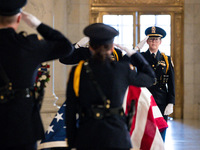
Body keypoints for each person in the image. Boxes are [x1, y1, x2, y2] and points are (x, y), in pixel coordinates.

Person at [65, 23, 155, 150]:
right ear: (112, 48)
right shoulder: (122, 69)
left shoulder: (78, 71)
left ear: (90, 47)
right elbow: (150, 78)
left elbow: (71, 110)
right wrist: (134, 55)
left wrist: (72, 142)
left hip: (87, 136)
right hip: (116, 136)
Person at [0, 0, 74, 149]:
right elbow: (66, 47)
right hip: (22, 125)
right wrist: (38, 25)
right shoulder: (28, 46)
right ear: (20, 18)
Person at [140, 26, 175, 141]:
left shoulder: (166, 59)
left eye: (156, 39)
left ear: (160, 42)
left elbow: (171, 83)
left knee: (160, 131)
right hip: (145, 99)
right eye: (151, 39)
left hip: (161, 100)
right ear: (147, 41)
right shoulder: (140, 57)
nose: (153, 42)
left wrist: (171, 102)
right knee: (145, 131)